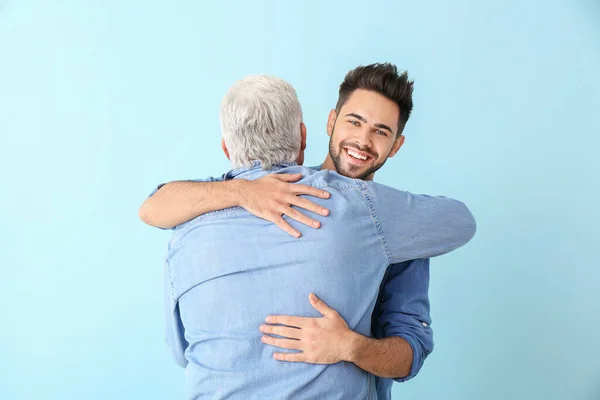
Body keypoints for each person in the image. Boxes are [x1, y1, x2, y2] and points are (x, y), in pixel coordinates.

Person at [140, 69, 476, 399]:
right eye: (354, 122)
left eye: (381, 131)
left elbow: (409, 352)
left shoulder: (400, 225)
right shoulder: (242, 195)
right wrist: (243, 191)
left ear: (396, 145)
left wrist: (351, 347)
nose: (362, 140)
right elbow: (154, 206)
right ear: (326, 123)